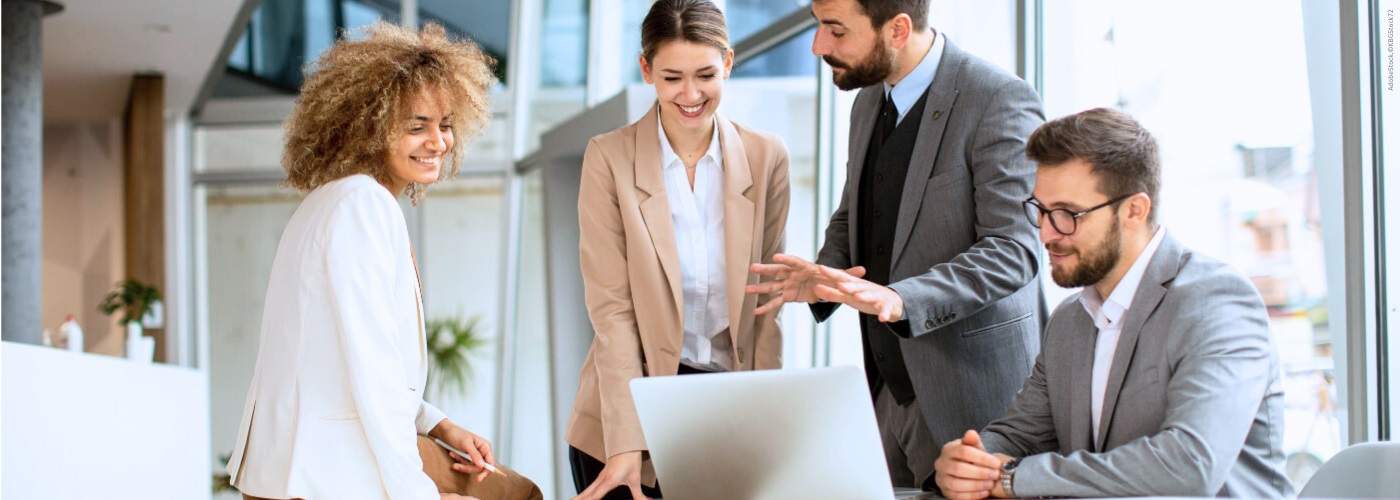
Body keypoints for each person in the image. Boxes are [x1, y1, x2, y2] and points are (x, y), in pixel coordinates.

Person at [225, 22, 541, 500]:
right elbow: (371, 368)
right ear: (370, 127)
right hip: (326, 470)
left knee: (511, 488)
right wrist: (417, 494)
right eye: (417, 126)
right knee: (518, 494)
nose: (438, 142)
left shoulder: (333, 201)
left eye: (446, 124)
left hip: (297, 463)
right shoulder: (362, 206)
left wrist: (442, 425)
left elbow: (357, 363)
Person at [746, 0, 1044, 488]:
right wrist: (825, 274)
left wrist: (905, 298)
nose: (819, 46)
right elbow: (855, 210)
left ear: (898, 30)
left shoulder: (998, 98)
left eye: (835, 31)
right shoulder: (868, 102)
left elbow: (1014, 250)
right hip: (887, 392)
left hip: (974, 401)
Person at [933, 108, 1293, 499]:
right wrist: (971, 461)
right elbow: (1020, 434)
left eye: (1068, 214)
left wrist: (1013, 478)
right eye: (1040, 211)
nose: (1047, 234)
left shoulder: (1218, 303)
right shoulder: (1070, 320)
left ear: (1134, 210)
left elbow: (1190, 464)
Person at [564, 1, 791, 498]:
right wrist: (627, 443)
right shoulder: (609, 159)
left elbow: (766, 306)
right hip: (629, 418)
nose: (691, 95)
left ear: (728, 63)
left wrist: (768, 423)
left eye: (706, 75)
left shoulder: (766, 155)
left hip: (725, 414)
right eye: (671, 78)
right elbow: (613, 312)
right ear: (646, 70)